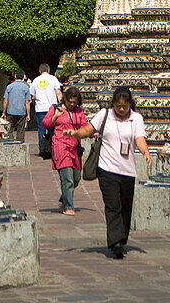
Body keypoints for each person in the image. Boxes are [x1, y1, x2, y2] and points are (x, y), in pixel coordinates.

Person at [64, 85, 151, 258]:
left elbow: (139, 138)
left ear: (130, 104)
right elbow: (88, 130)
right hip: (107, 169)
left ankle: (122, 238)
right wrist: (75, 133)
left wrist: (145, 152)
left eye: (124, 106)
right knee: (113, 206)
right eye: (118, 106)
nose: (121, 109)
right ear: (113, 104)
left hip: (127, 171)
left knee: (126, 207)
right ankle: (115, 242)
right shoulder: (105, 114)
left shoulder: (136, 118)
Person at [42, 85, 88, 215]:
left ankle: (64, 197)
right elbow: (45, 123)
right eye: (70, 101)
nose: (72, 104)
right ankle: (69, 206)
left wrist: (91, 133)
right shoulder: (55, 109)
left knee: (76, 178)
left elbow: (85, 126)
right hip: (60, 146)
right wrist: (55, 116)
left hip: (75, 147)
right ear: (65, 99)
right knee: (67, 177)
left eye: (75, 102)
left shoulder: (79, 111)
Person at [29, 63, 62, 147]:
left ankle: (42, 148)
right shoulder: (53, 79)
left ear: (40, 71)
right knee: (52, 128)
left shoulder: (36, 80)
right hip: (52, 108)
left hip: (40, 108)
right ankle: (52, 147)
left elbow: (32, 96)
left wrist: (34, 103)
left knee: (41, 129)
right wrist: (61, 105)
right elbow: (58, 93)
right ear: (49, 70)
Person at [2, 69, 31, 142]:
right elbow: (27, 102)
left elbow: (5, 100)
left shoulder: (9, 87)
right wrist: (28, 114)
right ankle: (20, 146)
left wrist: (4, 112)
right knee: (20, 131)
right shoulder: (26, 87)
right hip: (21, 112)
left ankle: (10, 144)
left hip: (10, 111)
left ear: (15, 76)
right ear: (23, 77)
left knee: (9, 130)